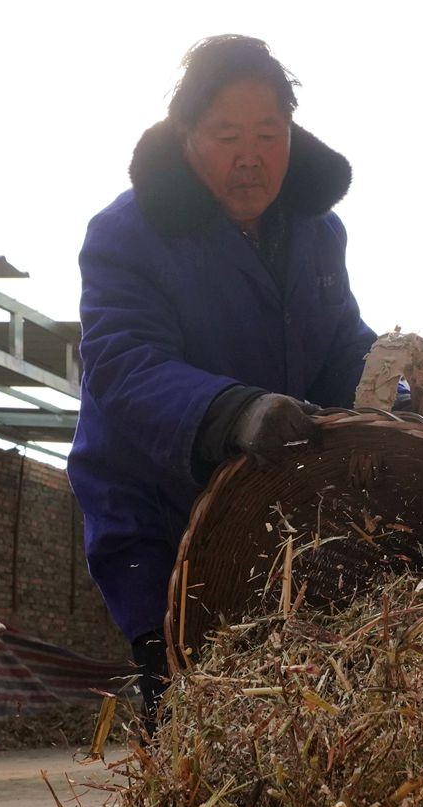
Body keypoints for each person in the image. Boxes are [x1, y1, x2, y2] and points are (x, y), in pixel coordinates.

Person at [67, 35, 382, 727]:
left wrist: (387, 399)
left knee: (301, 705)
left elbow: (341, 341)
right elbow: (123, 362)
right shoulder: (127, 233)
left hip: (277, 508)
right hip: (156, 506)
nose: (251, 156)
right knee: (188, 707)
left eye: (269, 134)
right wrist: (234, 411)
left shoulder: (317, 230)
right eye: (228, 135)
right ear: (186, 137)